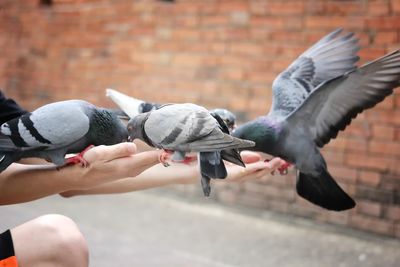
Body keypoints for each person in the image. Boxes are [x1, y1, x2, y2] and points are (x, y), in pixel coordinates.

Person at [0, 91, 286, 267]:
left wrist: (193, 168)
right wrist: (79, 172)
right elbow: (66, 180)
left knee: (60, 237)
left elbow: (65, 184)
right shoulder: (78, 121)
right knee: (61, 238)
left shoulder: (55, 122)